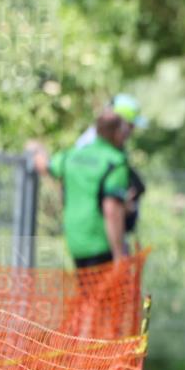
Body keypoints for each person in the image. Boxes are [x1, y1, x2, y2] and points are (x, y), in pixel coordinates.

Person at [32, 110, 135, 268]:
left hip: (75, 242)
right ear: (117, 133)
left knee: (85, 290)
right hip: (101, 243)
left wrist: (36, 150)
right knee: (107, 292)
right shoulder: (115, 162)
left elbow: (45, 166)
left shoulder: (72, 155)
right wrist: (119, 254)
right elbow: (111, 210)